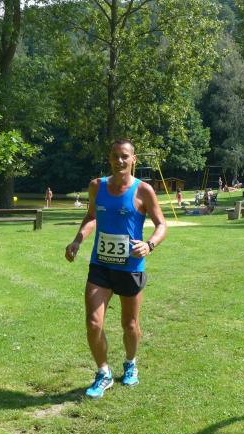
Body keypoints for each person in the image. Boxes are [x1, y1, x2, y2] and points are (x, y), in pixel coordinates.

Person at [65, 139, 167, 399]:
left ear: (133, 159)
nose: (119, 161)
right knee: (93, 322)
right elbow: (91, 217)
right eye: (114, 156)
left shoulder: (143, 190)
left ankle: (130, 363)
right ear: (109, 158)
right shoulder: (96, 186)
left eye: (124, 156)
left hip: (130, 267)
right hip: (100, 265)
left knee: (129, 324)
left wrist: (149, 245)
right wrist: (78, 240)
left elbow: (161, 225)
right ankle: (103, 372)